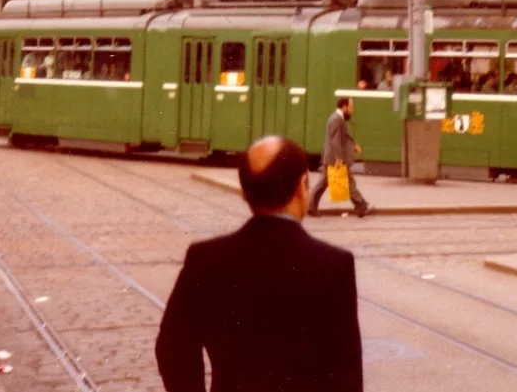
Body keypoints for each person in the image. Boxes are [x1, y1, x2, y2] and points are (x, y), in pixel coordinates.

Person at [155, 136, 364, 392]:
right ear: (301, 186)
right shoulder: (333, 265)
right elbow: (346, 373)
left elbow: (172, 348)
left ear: (244, 192)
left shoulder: (205, 259)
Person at [307, 98, 372, 217]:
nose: (352, 110)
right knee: (344, 182)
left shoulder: (338, 118)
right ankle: (361, 206)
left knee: (328, 183)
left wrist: (353, 146)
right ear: (344, 106)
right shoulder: (336, 119)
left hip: (333, 157)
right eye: (351, 107)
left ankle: (361, 206)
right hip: (334, 159)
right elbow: (335, 140)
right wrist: (339, 158)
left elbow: (344, 137)